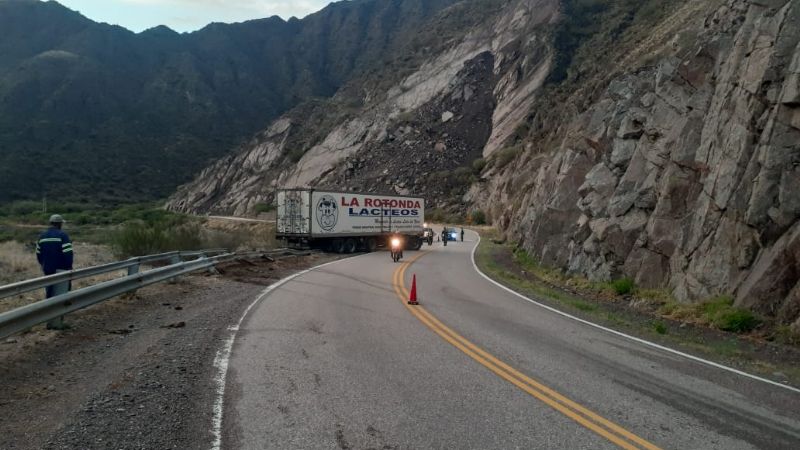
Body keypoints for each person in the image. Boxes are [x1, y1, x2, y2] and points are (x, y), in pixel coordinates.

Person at [36, 214, 73, 298]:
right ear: (60, 224)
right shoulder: (63, 235)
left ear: (51, 223)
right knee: (62, 292)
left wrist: (43, 264)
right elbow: (68, 253)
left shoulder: (42, 236)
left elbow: (38, 253)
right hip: (62, 268)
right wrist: (69, 267)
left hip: (47, 268)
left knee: (49, 291)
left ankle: (49, 304)